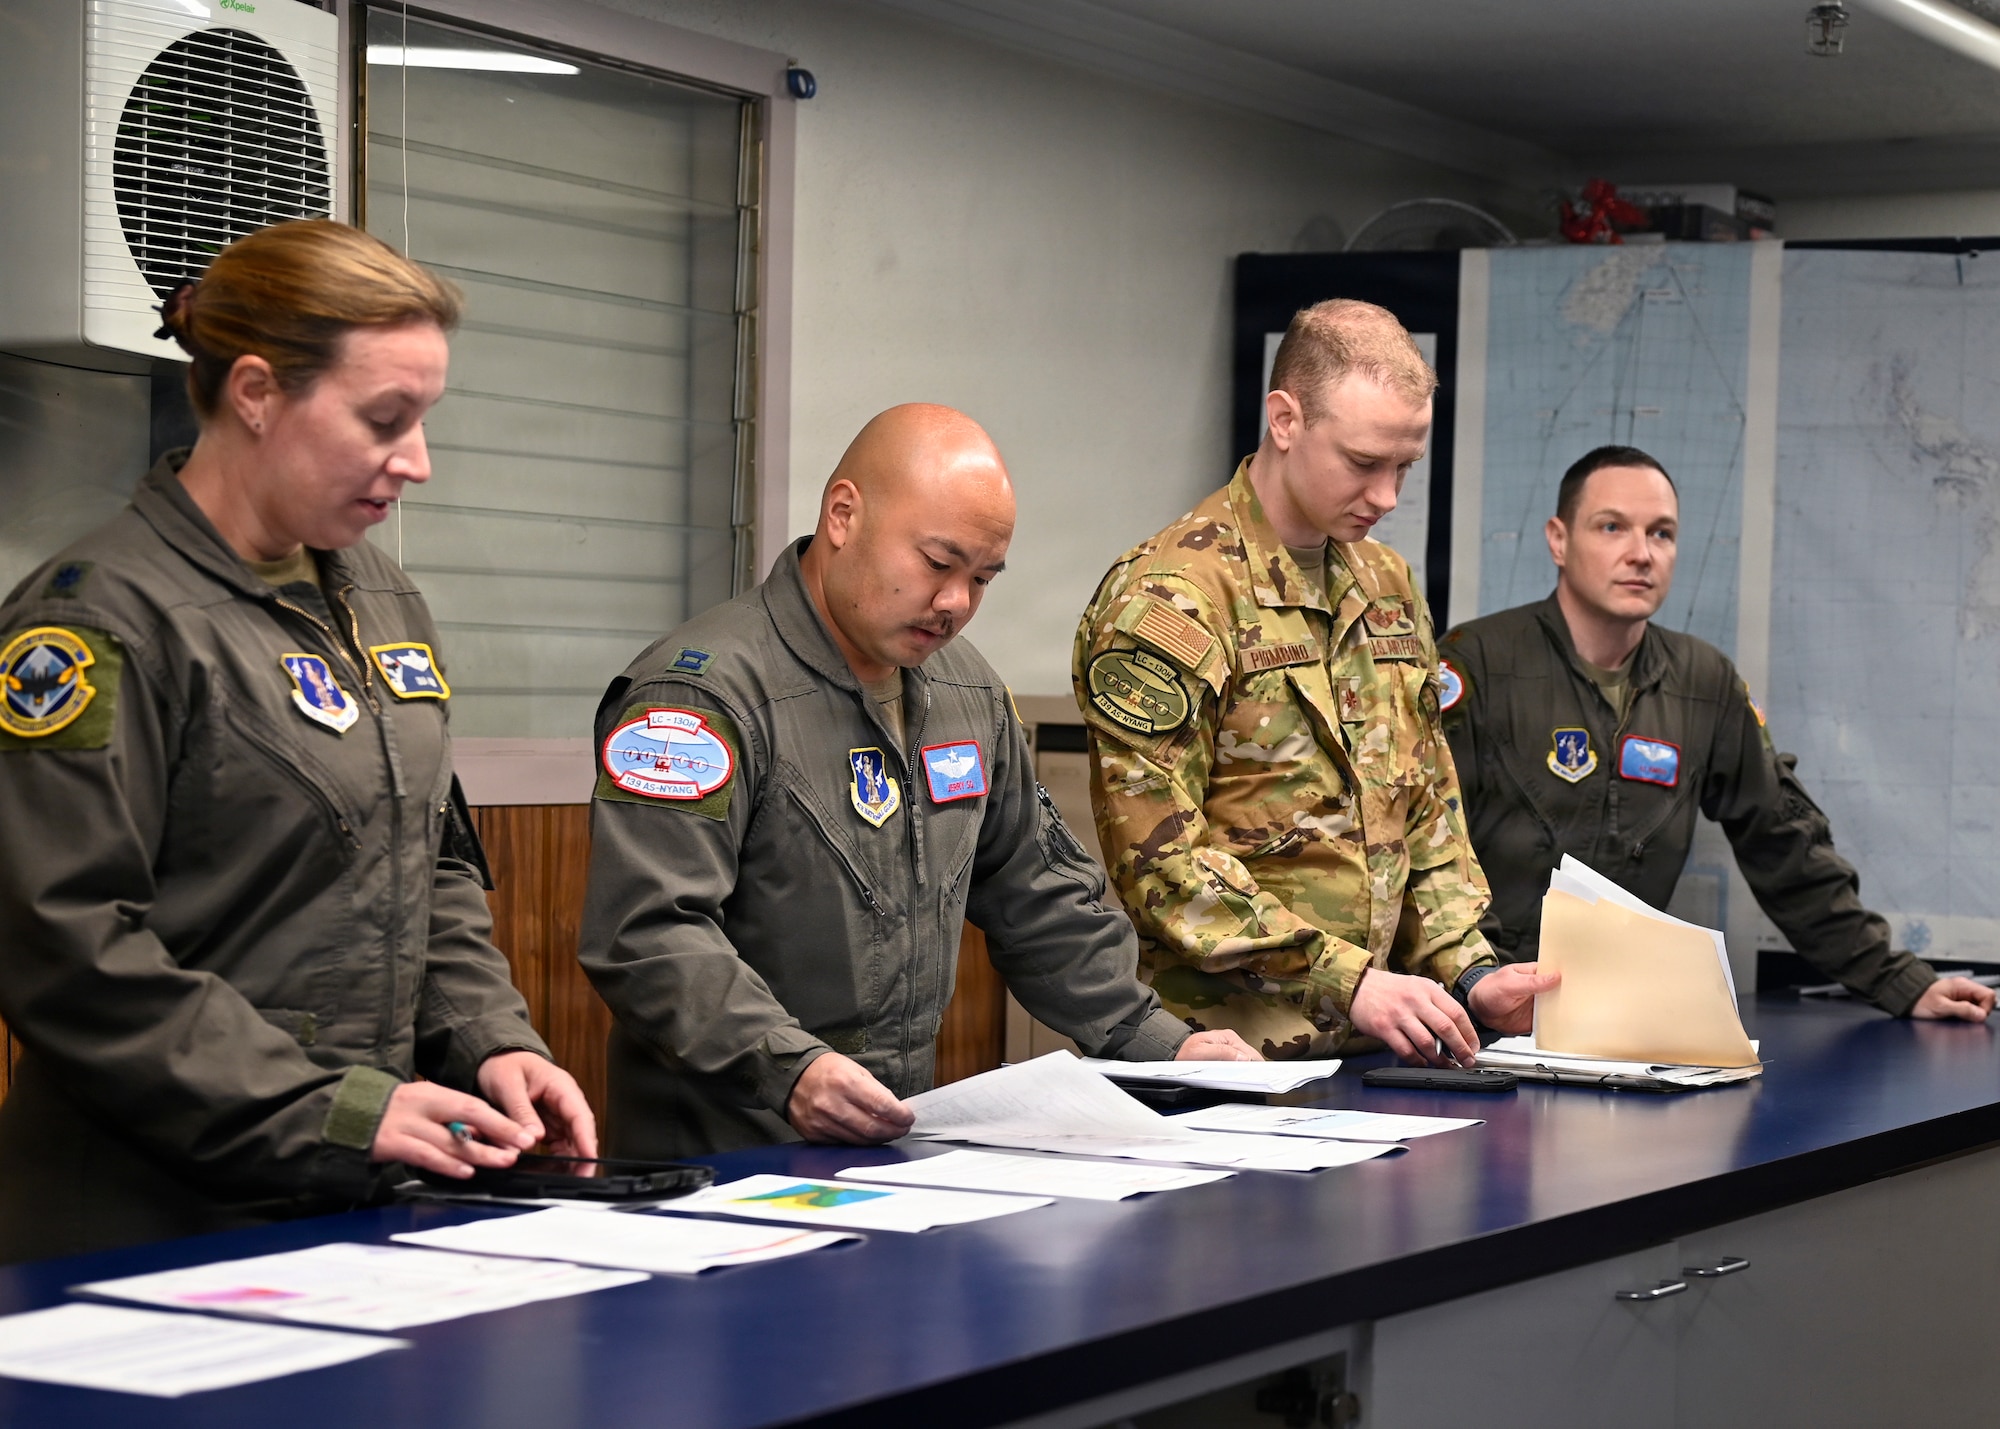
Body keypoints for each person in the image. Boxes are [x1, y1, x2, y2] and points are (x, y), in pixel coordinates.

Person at [0, 220, 596, 1263]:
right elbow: (66, 949)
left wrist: (490, 1039)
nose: (416, 461)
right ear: (257, 392)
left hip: (349, 1192)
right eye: (384, 419)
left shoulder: (381, 600)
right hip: (148, 1216)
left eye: (423, 420)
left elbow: (431, 867)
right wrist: (330, 1105)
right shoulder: (100, 624)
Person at [579, 403, 1258, 1159]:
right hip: (721, 1157)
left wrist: (1156, 1040)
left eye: (983, 577)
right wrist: (789, 1067)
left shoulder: (967, 694)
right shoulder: (698, 698)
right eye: (938, 563)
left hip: (883, 1153)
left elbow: (1038, 893)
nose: (956, 604)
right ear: (843, 514)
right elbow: (649, 932)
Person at [1073, 300, 1553, 1067]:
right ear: (1285, 419)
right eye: (1364, 463)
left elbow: (1424, 807)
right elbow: (1159, 861)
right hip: (1229, 1058)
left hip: (1381, 1051)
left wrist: (1470, 970)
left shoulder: (1386, 583)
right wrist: (1349, 977)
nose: (1389, 496)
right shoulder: (1173, 598)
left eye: (1405, 467)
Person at [1439, 444, 1994, 1022]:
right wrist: (1479, 981)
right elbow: (1425, 850)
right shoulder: (1478, 664)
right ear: (1559, 539)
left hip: (1615, 1022)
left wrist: (1901, 982)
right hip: (1474, 1013)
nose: (1641, 554)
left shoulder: (1705, 684)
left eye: (1661, 534)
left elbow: (1785, 848)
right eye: (1611, 527)